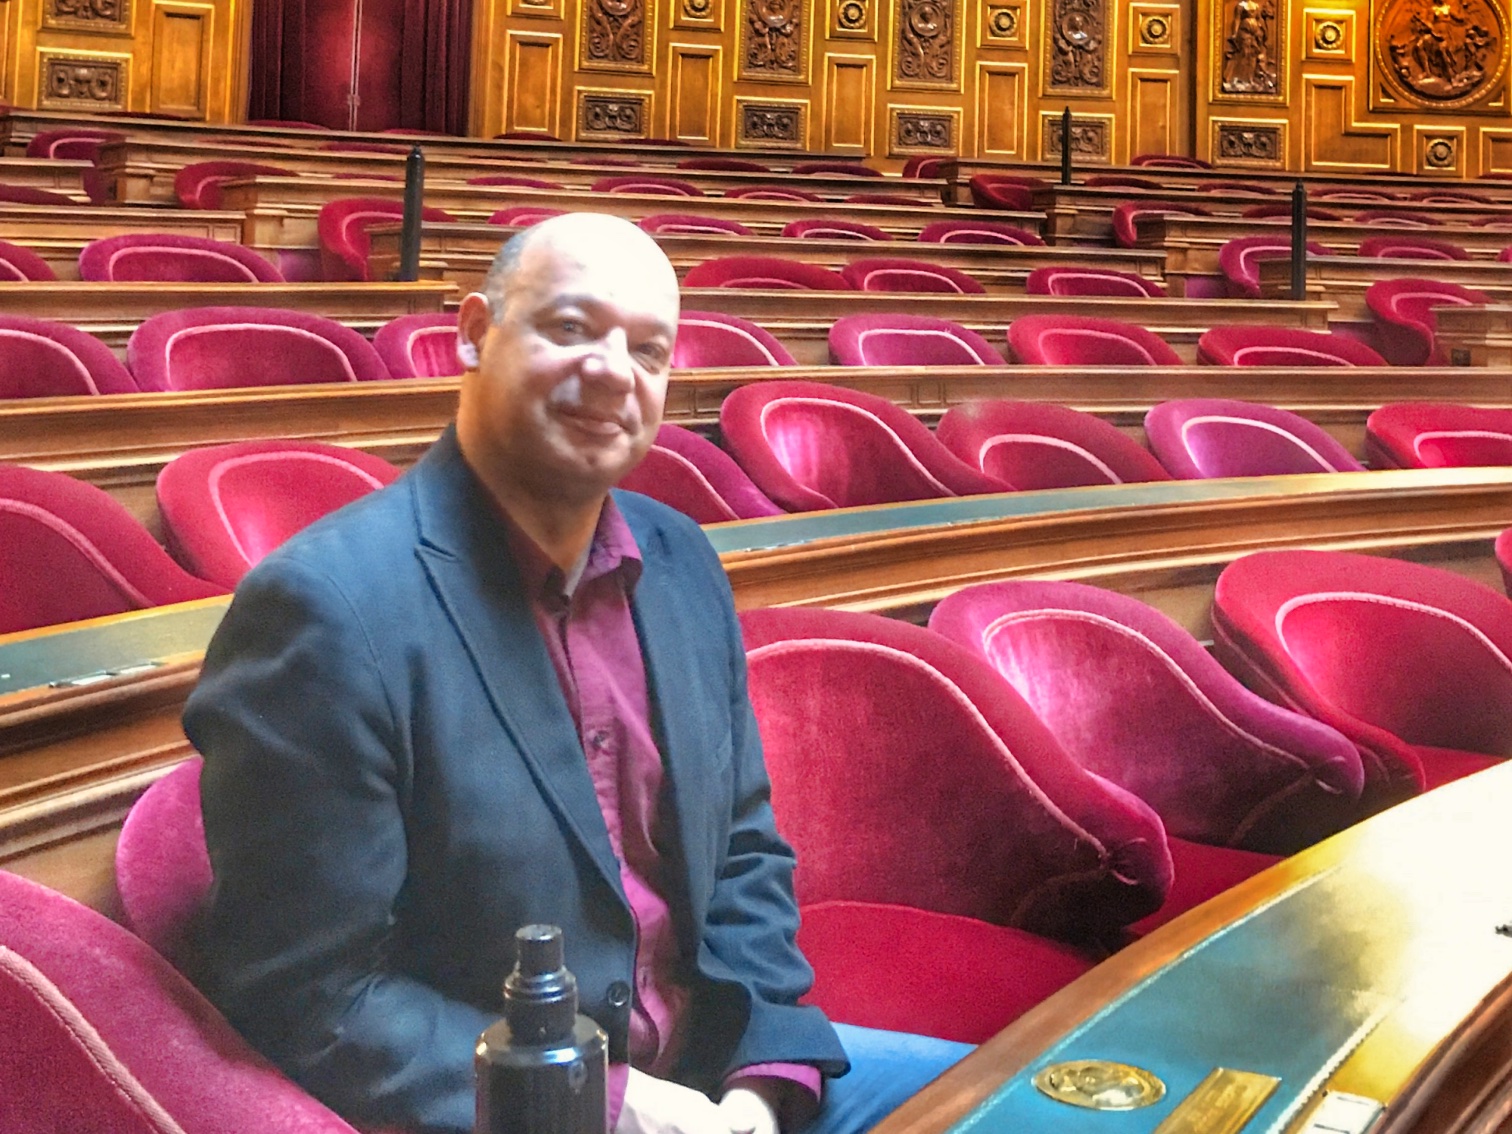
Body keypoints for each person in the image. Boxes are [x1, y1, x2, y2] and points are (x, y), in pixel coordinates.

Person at [184, 212, 970, 1134]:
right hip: (515, 1113)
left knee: (1055, 1106)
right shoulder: (327, 610)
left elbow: (745, 855)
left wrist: (768, 1076)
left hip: (722, 1081)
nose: (612, 371)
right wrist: (607, 1104)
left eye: (648, 349)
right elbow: (309, 996)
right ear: (473, 334)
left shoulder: (681, 564)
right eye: (569, 328)